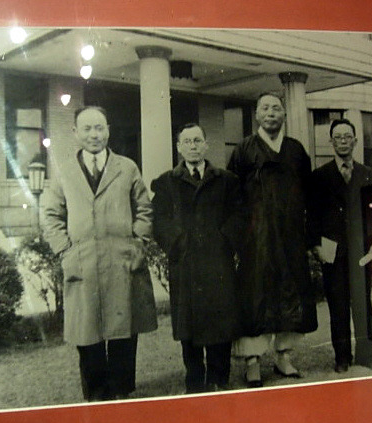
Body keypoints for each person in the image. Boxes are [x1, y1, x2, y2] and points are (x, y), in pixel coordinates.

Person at [42, 106, 157, 401]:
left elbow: (144, 208)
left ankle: (121, 391)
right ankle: (96, 396)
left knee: (123, 329)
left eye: (99, 128)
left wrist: (138, 241)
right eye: (87, 129)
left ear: (108, 131)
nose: (94, 135)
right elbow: (51, 214)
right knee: (87, 333)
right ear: (75, 133)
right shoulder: (64, 171)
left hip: (122, 260)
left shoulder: (127, 167)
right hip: (83, 262)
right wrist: (65, 250)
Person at [227, 93, 318, 387]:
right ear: (256, 114)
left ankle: (283, 355)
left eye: (276, 108)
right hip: (256, 239)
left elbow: (310, 195)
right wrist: (238, 238)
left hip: (291, 237)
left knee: (291, 292)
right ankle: (252, 361)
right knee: (255, 296)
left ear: (284, 115)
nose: (271, 113)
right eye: (265, 108)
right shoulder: (244, 149)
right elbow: (232, 197)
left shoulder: (295, 150)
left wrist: (309, 236)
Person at [151, 123, 244, 393]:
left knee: (220, 322)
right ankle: (194, 380)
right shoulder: (166, 182)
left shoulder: (226, 180)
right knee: (188, 326)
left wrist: (224, 241)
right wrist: (178, 243)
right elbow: (159, 221)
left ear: (206, 145)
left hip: (218, 263)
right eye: (187, 141)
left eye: (197, 141)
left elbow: (240, 214)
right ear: (179, 147)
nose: (192, 146)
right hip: (185, 264)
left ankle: (219, 378)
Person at [309, 118, 372, 373]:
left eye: (347, 136)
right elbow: (312, 215)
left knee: (363, 303)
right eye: (338, 137)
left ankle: (366, 356)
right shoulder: (320, 176)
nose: (343, 141)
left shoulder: (366, 173)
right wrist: (316, 245)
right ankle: (342, 357)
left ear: (355, 141)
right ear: (331, 142)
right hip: (332, 250)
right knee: (338, 305)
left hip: (361, 250)